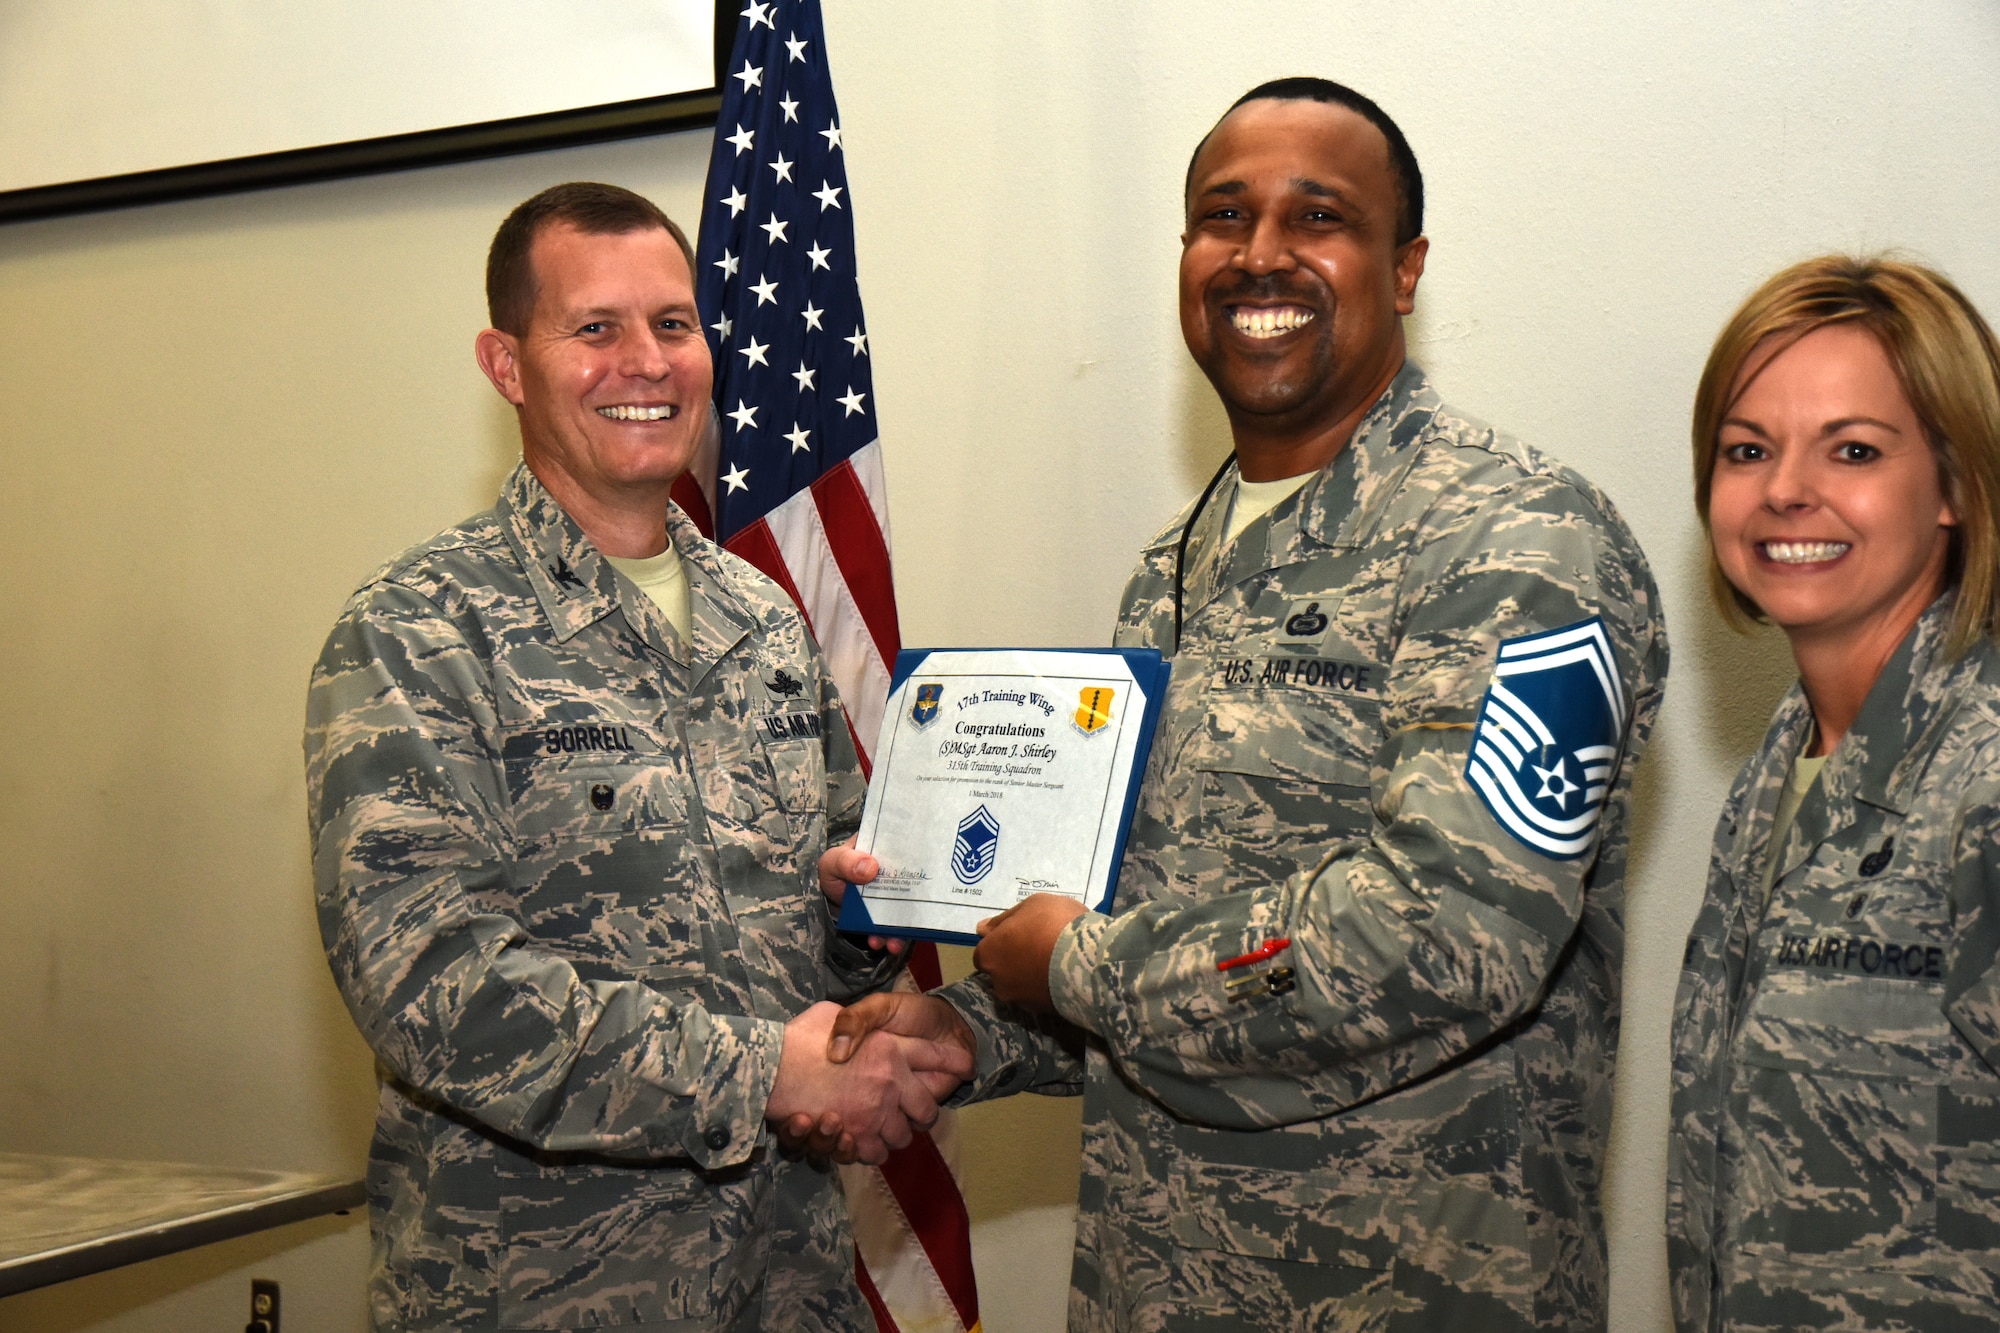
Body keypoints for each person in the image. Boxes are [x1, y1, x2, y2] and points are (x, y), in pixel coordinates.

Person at [816, 79, 1669, 1329]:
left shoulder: (1513, 540)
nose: (1259, 253)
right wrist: (972, 1032)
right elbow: (1138, 923)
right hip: (1151, 1281)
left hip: (1409, 1290)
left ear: (1405, 267)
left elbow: (1453, 929)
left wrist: (1081, 962)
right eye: (1222, 215)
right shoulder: (1173, 566)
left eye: (1316, 215)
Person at [304, 182, 971, 1333]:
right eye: (594, 329)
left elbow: (835, 931)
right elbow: (430, 982)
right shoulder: (417, 631)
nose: (646, 363)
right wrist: (762, 1069)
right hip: (546, 1296)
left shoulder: (761, 616)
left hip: (790, 1283)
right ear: (507, 365)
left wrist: (856, 921)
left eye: (672, 324)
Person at [1666, 256, 2000, 1331]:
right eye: (1745, 450)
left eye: (1851, 450)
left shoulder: (1982, 775)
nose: (1781, 491)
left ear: (1954, 484)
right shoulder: (1779, 762)